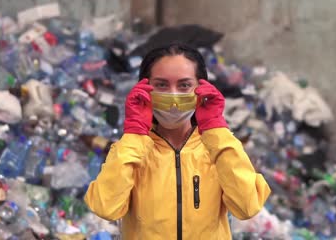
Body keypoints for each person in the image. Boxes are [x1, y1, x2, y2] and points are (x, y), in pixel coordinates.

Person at [84, 43, 271, 239]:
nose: (173, 96)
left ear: (202, 88)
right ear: (144, 88)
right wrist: (135, 133)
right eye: (161, 85)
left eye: (184, 85)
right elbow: (105, 207)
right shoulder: (134, 150)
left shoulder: (217, 149)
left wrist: (215, 128)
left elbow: (247, 207)